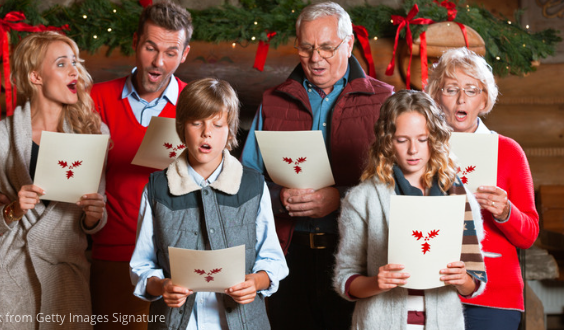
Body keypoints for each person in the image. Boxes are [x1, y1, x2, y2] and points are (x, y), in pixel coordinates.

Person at [239, 2, 393, 328]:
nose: (315, 57)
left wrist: (340, 197)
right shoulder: (273, 101)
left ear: (349, 44)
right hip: (287, 254)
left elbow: (398, 184)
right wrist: (279, 197)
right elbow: (246, 179)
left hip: (357, 257)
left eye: (326, 47)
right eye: (306, 47)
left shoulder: (385, 102)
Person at [0, 31, 108, 329]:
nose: (74, 71)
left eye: (75, 62)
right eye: (61, 63)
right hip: (9, 276)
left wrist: (95, 216)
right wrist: (11, 211)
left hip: (67, 276)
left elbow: (92, 214)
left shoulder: (94, 133)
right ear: (35, 77)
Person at [129, 78, 288, 330]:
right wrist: (161, 286)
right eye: (196, 123)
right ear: (181, 128)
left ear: (230, 130)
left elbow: (273, 259)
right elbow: (142, 265)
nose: (207, 133)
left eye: (217, 124)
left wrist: (256, 282)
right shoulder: (157, 188)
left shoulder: (253, 186)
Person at [333, 90, 487, 329]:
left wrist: (462, 279)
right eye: (402, 140)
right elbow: (345, 279)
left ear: (435, 138)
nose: (413, 150)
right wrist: (377, 282)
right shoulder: (362, 198)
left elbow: (475, 284)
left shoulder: (459, 195)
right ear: (387, 141)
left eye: (423, 139)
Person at [89, 2, 192, 328]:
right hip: (114, 252)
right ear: (136, 42)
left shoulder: (195, 105)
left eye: (171, 52)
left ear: (185, 54)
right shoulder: (96, 100)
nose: (158, 62)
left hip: (180, 256)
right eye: (150, 47)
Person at [425, 47, 539, 330]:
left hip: (494, 297)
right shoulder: (418, 149)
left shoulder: (509, 151)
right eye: (451, 89)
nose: (461, 99)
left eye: (472, 90)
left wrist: (506, 212)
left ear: (484, 99)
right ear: (437, 95)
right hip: (430, 290)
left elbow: (529, 235)